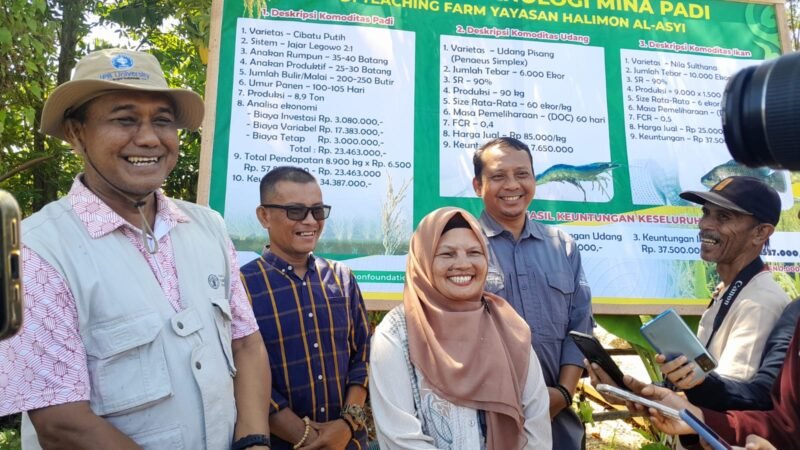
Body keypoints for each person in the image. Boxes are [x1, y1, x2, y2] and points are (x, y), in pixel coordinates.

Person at [0, 48, 271, 449]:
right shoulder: (37, 253)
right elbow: (61, 424)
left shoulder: (207, 227)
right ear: (77, 133)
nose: (148, 137)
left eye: (162, 121)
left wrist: (254, 441)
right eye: (124, 119)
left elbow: (247, 343)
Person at [369, 207, 552, 449]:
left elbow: (537, 426)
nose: (463, 264)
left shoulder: (507, 326)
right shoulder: (396, 333)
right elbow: (400, 439)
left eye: (474, 252)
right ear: (423, 261)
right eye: (447, 254)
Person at [472, 137, 592, 449]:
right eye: (498, 176)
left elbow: (580, 327)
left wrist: (562, 395)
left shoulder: (563, 246)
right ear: (477, 185)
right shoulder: (463, 249)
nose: (512, 185)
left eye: (522, 174)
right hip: (484, 422)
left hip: (558, 424)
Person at [240, 166, 371, 450]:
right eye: (296, 211)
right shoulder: (241, 285)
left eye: (318, 211)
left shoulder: (342, 278)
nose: (310, 221)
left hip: (348, 442)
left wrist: (347, 424)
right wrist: (305, 436)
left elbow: (362, 356)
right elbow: (240, 371)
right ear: (264, 215)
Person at [659, 176, 789, 389]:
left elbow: (731, 393)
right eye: (706, 213)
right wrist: (643, 394)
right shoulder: (729, 289)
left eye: (724, 217)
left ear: (760, 233)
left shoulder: (761, 302)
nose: (704, 224)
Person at [610, 311, 800, 449]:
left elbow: (760, 398)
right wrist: (698, 418)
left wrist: (699, 387)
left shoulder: (760, 301)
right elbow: (785, 425)